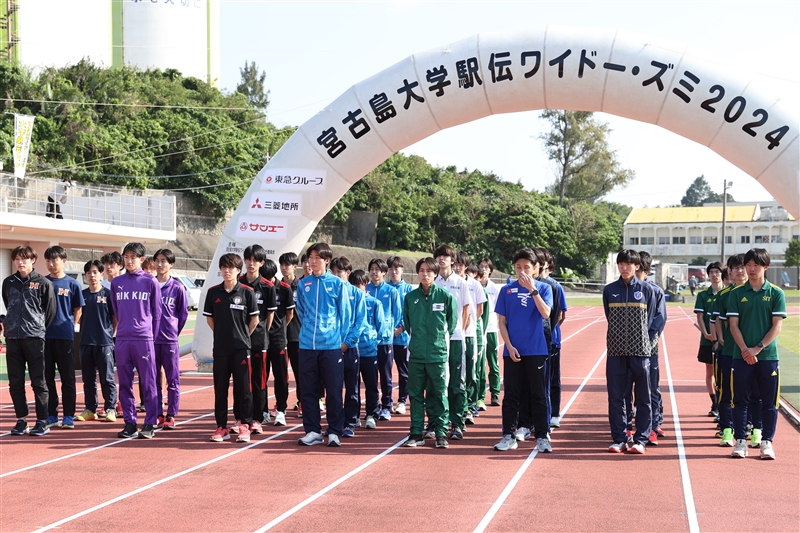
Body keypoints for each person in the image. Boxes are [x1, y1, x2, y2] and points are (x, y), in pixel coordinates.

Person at [728, 248, 786, 460]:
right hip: (740, 356)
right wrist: (745, 350)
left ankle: (767, 442)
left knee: (769, 403)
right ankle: (740, 442)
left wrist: (757, 349)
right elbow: (733, 326)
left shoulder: (776, 293)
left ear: (766, 267)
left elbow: (776, 326)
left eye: (756, 265)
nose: (751, 269)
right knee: (740, 401)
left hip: (768, 357)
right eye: (748, 265)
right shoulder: (736, 293)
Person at [493, 248, 554, 452]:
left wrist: (532, 290)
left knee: (538, 394)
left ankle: (542, 437)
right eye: (518, 267)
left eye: (526, 267)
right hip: (512, 351)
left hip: (536, 350)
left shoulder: (544, 289)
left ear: (536, 268)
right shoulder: (506, 291)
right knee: (511, 394)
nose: (522, 271)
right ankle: (508, 435)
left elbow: (546, 313)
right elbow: (502, 322)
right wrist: (508, 346)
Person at [295, 243, 352, 447]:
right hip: (308, 346)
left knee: (334, 390)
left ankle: (335, 431)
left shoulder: (337, 284)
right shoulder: (303, 284)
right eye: (310, 257)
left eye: (317, 257)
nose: (313, 261)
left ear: (327, 260)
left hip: (331, 347)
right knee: (309, 391)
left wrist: (339, 340)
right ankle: (312, 431)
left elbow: (345, 315)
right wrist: (310, 331)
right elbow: (301, 312)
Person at [603, 250, 658, 454]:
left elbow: (651, 320)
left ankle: (641, 439)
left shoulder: (647, 290)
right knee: (616, 397)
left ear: (637, 267)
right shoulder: (609, 290)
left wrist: (641, 340)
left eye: (629, 264)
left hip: (641, 351)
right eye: (621, 264)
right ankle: (619, 437)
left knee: (643, 397)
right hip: (616, 351)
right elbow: (609, 316)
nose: (624, 268)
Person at [403, 257, 458, 449]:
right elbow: (408, 324)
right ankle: (416, 432)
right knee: (416, 395)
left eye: (429, 271)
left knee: (439, 394)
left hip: (438, 355)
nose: (425, 274)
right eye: (421, 270)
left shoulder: (445, 297)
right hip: (416, 356)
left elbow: (451, 325)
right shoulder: (410, 298)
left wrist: (437, 343)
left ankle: (441, 433)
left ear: (435, 273)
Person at [205, 253, 260, 443]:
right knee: (220, 390)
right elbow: (209, 319)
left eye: (231, 267)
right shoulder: (213, 292)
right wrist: (222, 335)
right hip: (220, 348)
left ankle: (244, 425)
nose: (227, 271)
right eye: (224, 267)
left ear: (238, 270)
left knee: (244, 389)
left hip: (241, 349)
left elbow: (254, 320)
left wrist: (242, 336)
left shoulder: (247, 292)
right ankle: (221, 427)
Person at [110, 242, 162, 439]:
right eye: (126, 257)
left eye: (133, 257)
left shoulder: (150, 282)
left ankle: (150, 423)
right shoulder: (116, 283)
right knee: (124, 383)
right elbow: (116, 309)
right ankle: (130, 423)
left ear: (141, 259)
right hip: (123, 338)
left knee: (148, 383)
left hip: (144, 339)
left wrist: (151, 337)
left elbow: (157, 313)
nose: (129, 261)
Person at [3, 246, 56, 436]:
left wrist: (37, 329)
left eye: (24, 259)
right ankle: (21, 420)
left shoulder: (42, 283)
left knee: (39, 382)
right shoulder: (8, 282)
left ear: (33, 260)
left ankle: (42, 421)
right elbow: (8, 304)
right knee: (15, 382)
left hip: (34, 339)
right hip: (13, 338)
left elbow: (50, 312)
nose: (20, 262)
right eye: (17, 259)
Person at [43, 245, 85, 429]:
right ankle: (51, 415)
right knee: (47, 378)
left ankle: (68, 415)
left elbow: (78, 309)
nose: (51, 264)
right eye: (48, 260)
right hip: (44, 337)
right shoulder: (42, 283)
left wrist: (72, 325)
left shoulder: (72, 284)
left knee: (67, 377)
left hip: (65, 337)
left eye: (55, 260)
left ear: (64, 261)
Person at [433, 245, 471, 441]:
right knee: (436, 383)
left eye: (445, 256)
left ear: (453, 260)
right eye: (439, 255)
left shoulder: (461, 282)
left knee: (457, 382)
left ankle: (457, 423)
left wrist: (460, 332)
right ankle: (436, 423)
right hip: (437, 341)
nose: (442, 259)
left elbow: (466, 311)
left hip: (455, 339)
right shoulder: (433, 282)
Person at [238, 245, 276, 433]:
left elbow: (269, 316)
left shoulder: (268, 287)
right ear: (244, 261)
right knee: (240, 380)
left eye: (255, 260)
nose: (251, 264)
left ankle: (257, 419)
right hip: (239, 340)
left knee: (259, 381)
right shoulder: (237, 282)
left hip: (259, 340)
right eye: (248, 259)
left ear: (262, 263)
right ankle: (241, 417)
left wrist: (262, 334)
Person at [75, 260, 118, 423]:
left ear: (101, 274)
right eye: (89, 273)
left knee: (107, 378)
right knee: (88, 378)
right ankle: (90, 409)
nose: (92, 276)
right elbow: (78, 317)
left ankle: (110, 408)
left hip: (104, 343)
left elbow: (115, 318)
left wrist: (109, 335)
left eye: (95, 272)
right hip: (86, 342)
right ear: (85, 276)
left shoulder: (108, 294)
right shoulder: (82, 295)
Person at [712, 254, 748, 446]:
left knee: (748, 392)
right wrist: (720, 339)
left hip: (748, 352)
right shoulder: (724, 295)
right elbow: (718, 319)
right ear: (730, 271)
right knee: (726, 391)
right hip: (728, 351)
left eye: (743, 267)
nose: (740, 271)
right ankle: (727, 429)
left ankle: (749, 426)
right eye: (736, 268)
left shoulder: (754, 293)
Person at [330, 257, 366, 438]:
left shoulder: (357, 294)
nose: (336, 275)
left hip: (350, 348)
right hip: (329, 347)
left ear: (348, 273)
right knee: (333, 388)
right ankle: (334, 423)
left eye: (340, 272)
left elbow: (359, 323)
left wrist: (346, 344)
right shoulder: (328, 292)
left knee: (351, 388)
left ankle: (350, 422)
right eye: (333, 272)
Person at [632, 252, 666, 445]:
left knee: (651, 387)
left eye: (639, 271)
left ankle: (654, 424)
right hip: (628, 349)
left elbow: (659, 320)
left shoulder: (655, 291)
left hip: (648, 348)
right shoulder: (622, 290)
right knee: (627, 389)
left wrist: (646, 339)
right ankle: (629, 425)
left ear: (645, 271)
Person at [152, 249, 188, 430]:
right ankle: (157, 413)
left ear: (171, 264)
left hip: (169, 340)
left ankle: (171, 414)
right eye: (157, 260)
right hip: (150, 340)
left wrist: (173, 331)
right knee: (153, 379)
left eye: (164, 261)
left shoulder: (178, 288)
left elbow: (182, 315)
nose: (160, 264)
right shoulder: (149, 285)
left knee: (172, 379)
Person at [350, 269, 387, 432]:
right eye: (354, 285)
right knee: (353, 386)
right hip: (352, 350)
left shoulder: (374, 303)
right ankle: (355, 416)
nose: (357, 288)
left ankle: (372, 414)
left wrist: (372, 340)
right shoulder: (348, 302)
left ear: (365, 284)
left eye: (359, 284)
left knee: (371, 385)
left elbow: (381, 328)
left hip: (369, 351)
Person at [366, 258, 402, 421]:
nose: (374, 272)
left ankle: (387, 405)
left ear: (384, 272)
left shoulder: (391, 291)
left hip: (385, 341)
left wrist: (392, 331)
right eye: (371, 269)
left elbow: (399, 314)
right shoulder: (365, 290)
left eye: (377, 269)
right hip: (368, 342)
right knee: (370, 377)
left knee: (385, 375)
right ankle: (373, 407)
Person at [261, 258, 294, 427]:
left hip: (279, 339)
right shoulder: (257, 288)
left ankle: (281, 410)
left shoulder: (285, 289)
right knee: (262, 377)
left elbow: (289, 315)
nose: (265, 281)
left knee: (281, 376)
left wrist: (278, 329)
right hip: (261, 339)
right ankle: (263, 411)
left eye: (268, 278)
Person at [455, 251, 486, 425]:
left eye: (461, 264)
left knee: (470, 371)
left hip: (469, 334)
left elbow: (479, 310)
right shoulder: (451, 283)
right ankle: (458, 407)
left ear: (466, 266)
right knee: (455, 372)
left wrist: (469, 323)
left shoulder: (475, 285)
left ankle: (470, 405)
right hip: (453, 334)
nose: (458, 267)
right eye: (456, 264)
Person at [694, 262, 724, 418]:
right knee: (710, 371)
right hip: (707, 340)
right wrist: (706, 334)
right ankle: (715, 402)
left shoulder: (727, 293)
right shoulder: (703, 295)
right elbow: (699, 317)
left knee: (724, 372)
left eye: (717, 272)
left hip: (725, 341)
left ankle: (724, 402)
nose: (714, 275)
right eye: (711, 272)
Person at [386, 256, 414, 415]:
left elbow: (410, 312)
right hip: (385, 339)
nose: (394, 271)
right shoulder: (384, 288)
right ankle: (387, 401)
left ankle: (402, 400)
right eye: (391, 268)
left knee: (404, 372)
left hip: (402, 338)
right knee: (385, 372)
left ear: (402, 269)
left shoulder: (408, 289)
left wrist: (400, 328)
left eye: (397, 268)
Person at [279, 252, 303, 415]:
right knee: (280, 374)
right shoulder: (276, 287)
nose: (284, 268)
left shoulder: (301, 286)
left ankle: (302, 401)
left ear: (295, 267)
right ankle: (280, 406)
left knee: (300, 372)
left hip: (297, 336)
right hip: (279, 337)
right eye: (282, 264)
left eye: (287, 265)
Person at [478, 257, 501, 406]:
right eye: (481, 266)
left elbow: (500, 311)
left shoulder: (495, 289)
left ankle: (495, 393)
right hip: (478, 330)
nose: (484, 269)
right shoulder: (473, 286)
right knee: (478, 364)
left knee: (493, 363)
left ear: (490, 270)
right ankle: (480, 395)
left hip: (491, 329)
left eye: (486, 267)